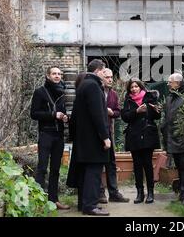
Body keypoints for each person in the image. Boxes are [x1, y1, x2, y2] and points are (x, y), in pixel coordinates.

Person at [67, 59, 112, 216]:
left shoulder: (83, 85)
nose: (105, 73)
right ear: (98, 70)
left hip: (83, 139)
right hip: (93, 140)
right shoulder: (93, 86)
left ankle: (83, 204)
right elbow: (97, 114)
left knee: (85, 173)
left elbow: (75, 115)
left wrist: (73, 136)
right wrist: (105, 136)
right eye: (104, 70)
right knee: (93, 173)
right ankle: (91, 206)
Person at [30, 66, 70, 210]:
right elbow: (34, 113)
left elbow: (62, 112)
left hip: (58, 135)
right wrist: (53, 115)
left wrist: (64, 117)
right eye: (54, 73)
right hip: (46, 134)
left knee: (55, 169)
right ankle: (38, 201)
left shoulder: (61, 93)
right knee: (42, 168)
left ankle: (54, 200)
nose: (57, 76)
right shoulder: (40, 92)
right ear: (48, 76)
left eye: (59, 73)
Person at [121, 78, 161, 204]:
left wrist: (156, 110)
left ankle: (150, 193)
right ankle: (139, 193)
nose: (134, 89)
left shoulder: (149, 97)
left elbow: (157, 116)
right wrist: (136, 111)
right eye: (131, 87)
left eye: (136, 86)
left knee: (147, 164)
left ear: (140, 87)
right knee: (137, 165)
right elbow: (125, 117)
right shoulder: (128, 101)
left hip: (147, 135)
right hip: (134, 136)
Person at [161, 73, 184, 205]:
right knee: (179, 168)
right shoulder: (170, 98)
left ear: (178, 83)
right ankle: (182, 195)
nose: (168, 84)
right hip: (172, 139)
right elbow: (168, 118)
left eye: (170, 82)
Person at [98, 68, 129, 203]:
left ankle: (114, 193)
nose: (110, 79)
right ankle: (100, 193)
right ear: (101, 78)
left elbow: (118, 112)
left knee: (111, 163)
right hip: (97, 133)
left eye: (111, 77)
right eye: (107, 77)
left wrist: (111, 113)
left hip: (108, 131)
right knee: (98, 163)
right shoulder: (96, 92)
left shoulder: (114, 94)